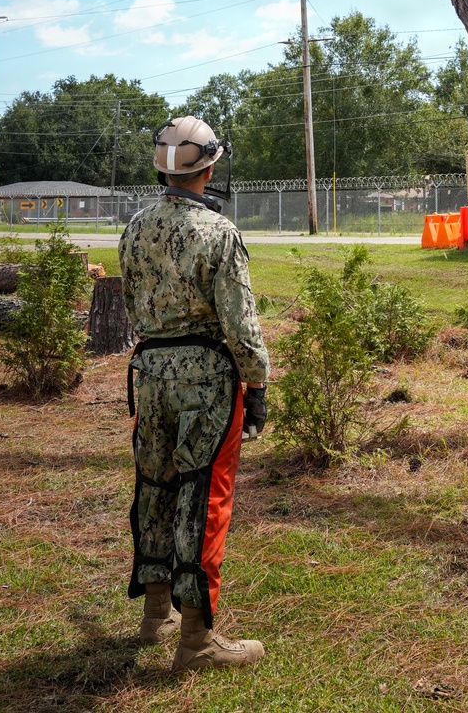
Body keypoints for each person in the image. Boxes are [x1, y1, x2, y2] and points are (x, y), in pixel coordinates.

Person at [117, 115, 269, 675]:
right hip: (206, 377)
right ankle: (197, 640)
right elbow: (240, 320)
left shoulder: (135, 227)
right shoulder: (218, 233)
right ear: (210, 166)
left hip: (150, 372)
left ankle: (155, 612)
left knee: (154, 485)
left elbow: (133, 304)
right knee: (203, 496)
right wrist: (256, 383)